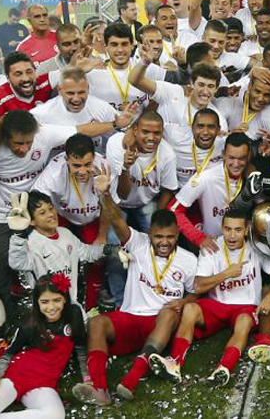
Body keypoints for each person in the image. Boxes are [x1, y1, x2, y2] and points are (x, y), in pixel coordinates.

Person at [72, 168, 197, 403]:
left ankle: (132, 378)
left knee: (169, 313)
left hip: (160, 325)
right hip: (130, 318)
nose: (164, 242)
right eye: (159, 236)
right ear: (150, 233)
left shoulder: (189, 260)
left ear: (177, 235)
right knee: (98, 322)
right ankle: (99, 389)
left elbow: (194, 293)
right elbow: (118, 220)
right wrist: (105, 194)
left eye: (170, 237)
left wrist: (184, 301)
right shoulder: (137, 243)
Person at [0, 111, 111, 315]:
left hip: (34, 211)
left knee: (45, 254)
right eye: (17, 143)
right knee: (0, 264)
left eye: (28, 143)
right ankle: (1, 315)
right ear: (5, 137)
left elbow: (81, 130)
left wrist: (117, 124)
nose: (23, 149)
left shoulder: (45, 134)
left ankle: (55, 303)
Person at [149, 209, 270, 386]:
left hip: (245, 307)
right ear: (221, 228)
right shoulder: (212, 247)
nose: (232, 235)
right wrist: (225, 274)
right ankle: (174, 362)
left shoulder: (257, 247)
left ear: (246, 229)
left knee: (244, 321)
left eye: (237, 230)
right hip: (217, 305)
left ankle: (224, 368)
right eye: (227, 229)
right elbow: (198, 286)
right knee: (190, 308)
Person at [0, 274, 87, 419]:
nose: (51, 307)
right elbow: (9, 353)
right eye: (45, 302)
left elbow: (80, 347)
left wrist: (87, 376)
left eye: (57, 300)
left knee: (55, 415)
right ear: (37, 302)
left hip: (45, 384)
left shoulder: (74, 315)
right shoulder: (29, 324)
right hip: (17, 376)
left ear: (65, 298)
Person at [7, 191, 109, 303]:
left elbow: (87, 253)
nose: (50, 214)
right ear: (31, 221)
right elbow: (16, 263)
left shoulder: (66, 234)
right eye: (42, 213)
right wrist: (18, 234)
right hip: (48, 308)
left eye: (51, 208)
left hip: (71, 304)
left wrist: (109, 250)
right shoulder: (30, 243)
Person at [169, 133, 252, 253]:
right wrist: (198, 237)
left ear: (248, 156)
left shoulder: (252, 177)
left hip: (241, 243)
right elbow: (173, 210)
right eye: (231, 158)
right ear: (223, 155)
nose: (236, 164)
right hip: (213, 246)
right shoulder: (206, 178)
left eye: (241, 158)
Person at [0, 51, 56, 117]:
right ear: (8, 78)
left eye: (29, 72)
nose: (25, 79)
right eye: (18, 74)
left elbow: (65, 74)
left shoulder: (48, 80)